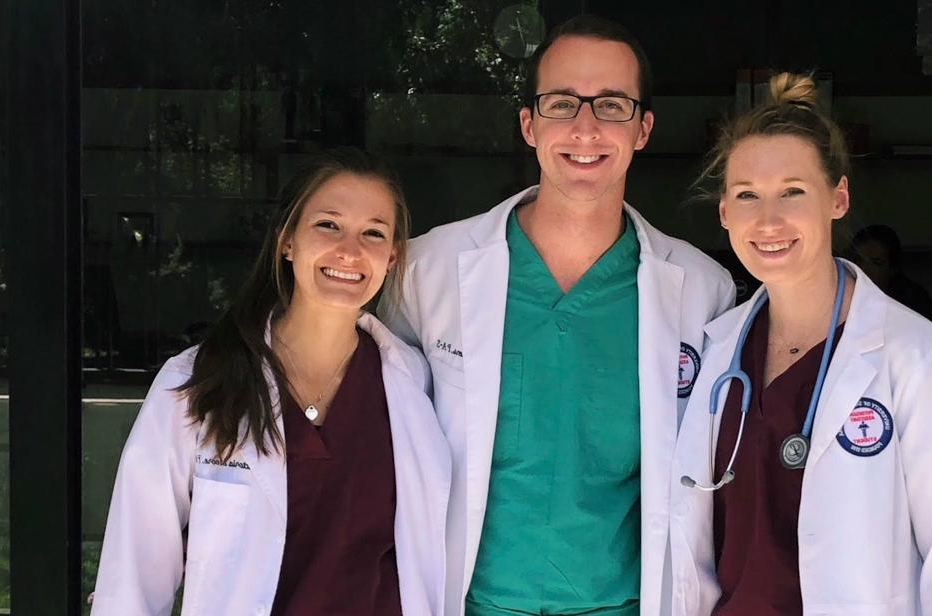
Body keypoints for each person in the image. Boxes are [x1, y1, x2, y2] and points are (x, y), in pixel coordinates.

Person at [381, 15, 735, 616]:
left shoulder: (704, 291)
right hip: (466, 602)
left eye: (613, 105)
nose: (586, 127)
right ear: (528, 124)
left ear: (644, 128)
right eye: (563, 103)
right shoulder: (428, 270)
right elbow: (376, 440)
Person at [669, 73, 932, 615]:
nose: (769, 219)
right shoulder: (719, 348)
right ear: (725, 213)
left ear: (839, 198)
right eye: (748, 196)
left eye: (793, 192)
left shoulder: (917, 358)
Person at [91, 148, 451, 616]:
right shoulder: (197, 382)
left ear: (392, 257)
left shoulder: (415, 383)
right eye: (328, 225)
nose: (350, 250)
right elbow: (134, 572)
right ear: (287, 241)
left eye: (374, 233)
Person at [850, 224, 932, 326]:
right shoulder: (844, 295)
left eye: (876, 263)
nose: (864, 269)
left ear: (892, 268)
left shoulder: (912, 300)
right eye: (859, 260)